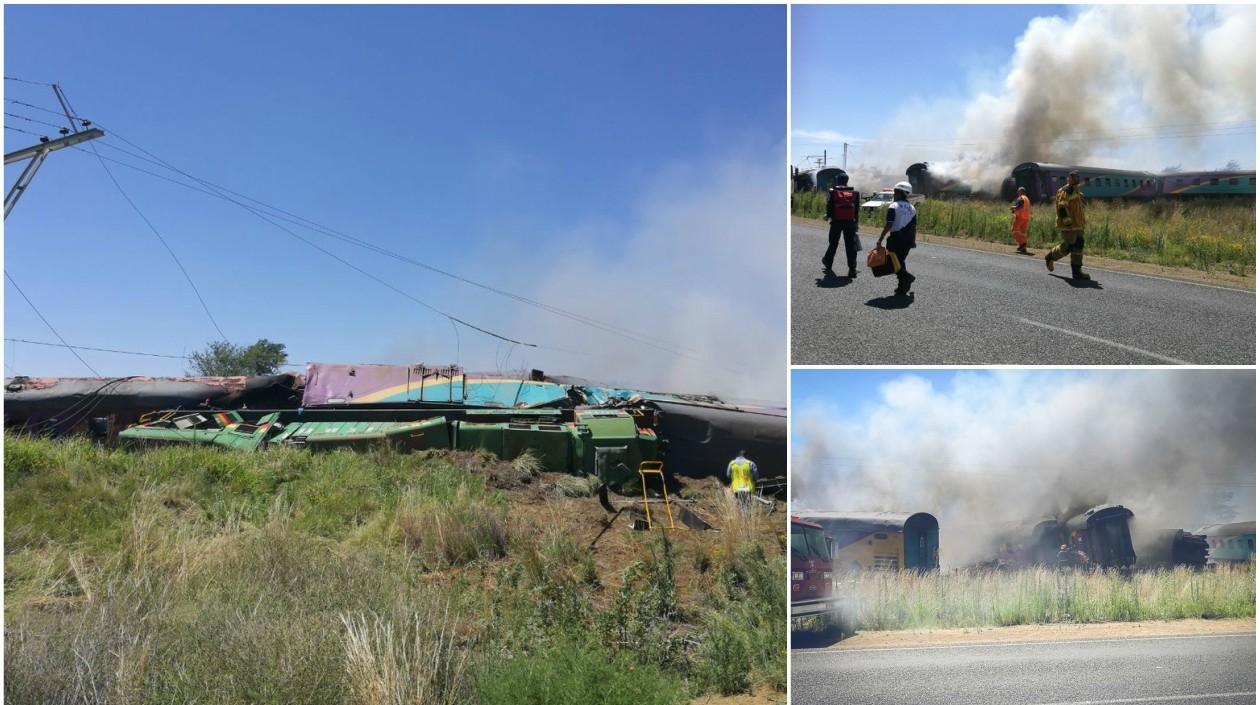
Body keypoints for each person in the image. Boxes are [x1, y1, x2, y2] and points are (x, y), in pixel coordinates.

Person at [1046, 171, 1090, 280]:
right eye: (1075, 177)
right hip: (1068, 225)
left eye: (1078, 177)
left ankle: (1077, 272)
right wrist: (1067, 221)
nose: (1077, 179)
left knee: (1079, 245)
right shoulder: (1066, 191)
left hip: (1078, 224)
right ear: (1069, 179)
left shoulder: (1076, 191)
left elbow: (1079, 206)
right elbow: (1062, 207)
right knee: (1069, 245)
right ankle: (1050, 256)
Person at [876, 181, 917, 296]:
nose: (894, 194)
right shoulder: (912, 208)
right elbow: (913, 226)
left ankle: (907, 277)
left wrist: (880, 238)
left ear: (898, 193)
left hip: (896, 239)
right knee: (899, 262)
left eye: (895, 192)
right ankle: (902, 288)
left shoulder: (893, 206)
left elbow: (889, 224)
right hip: (908, 239)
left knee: (892, 262)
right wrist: (913, 241)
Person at [822, 173, 861, 278]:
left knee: (833, 243)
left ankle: (828, 264)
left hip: (836, 222)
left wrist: (828, 215)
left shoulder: (832, 191)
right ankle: (852, 270)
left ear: (838, 181)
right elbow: (857, 210)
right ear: (846, 181)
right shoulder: (855, 192)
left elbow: (829, 206)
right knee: (851, 246)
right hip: (850, 222)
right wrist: (856, 223)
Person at [1010, 186, 1031, 254]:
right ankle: (1023, 248)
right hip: (1026, 218)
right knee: (1023, 233)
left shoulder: (1021, 198)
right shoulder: (1027, 198)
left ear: (1021, 191)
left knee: (1014, 230)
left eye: (1018, 191)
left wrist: (1013, 207)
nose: (1017, 192)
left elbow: (1019, 206)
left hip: (1020, 217)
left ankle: (1022, 244)